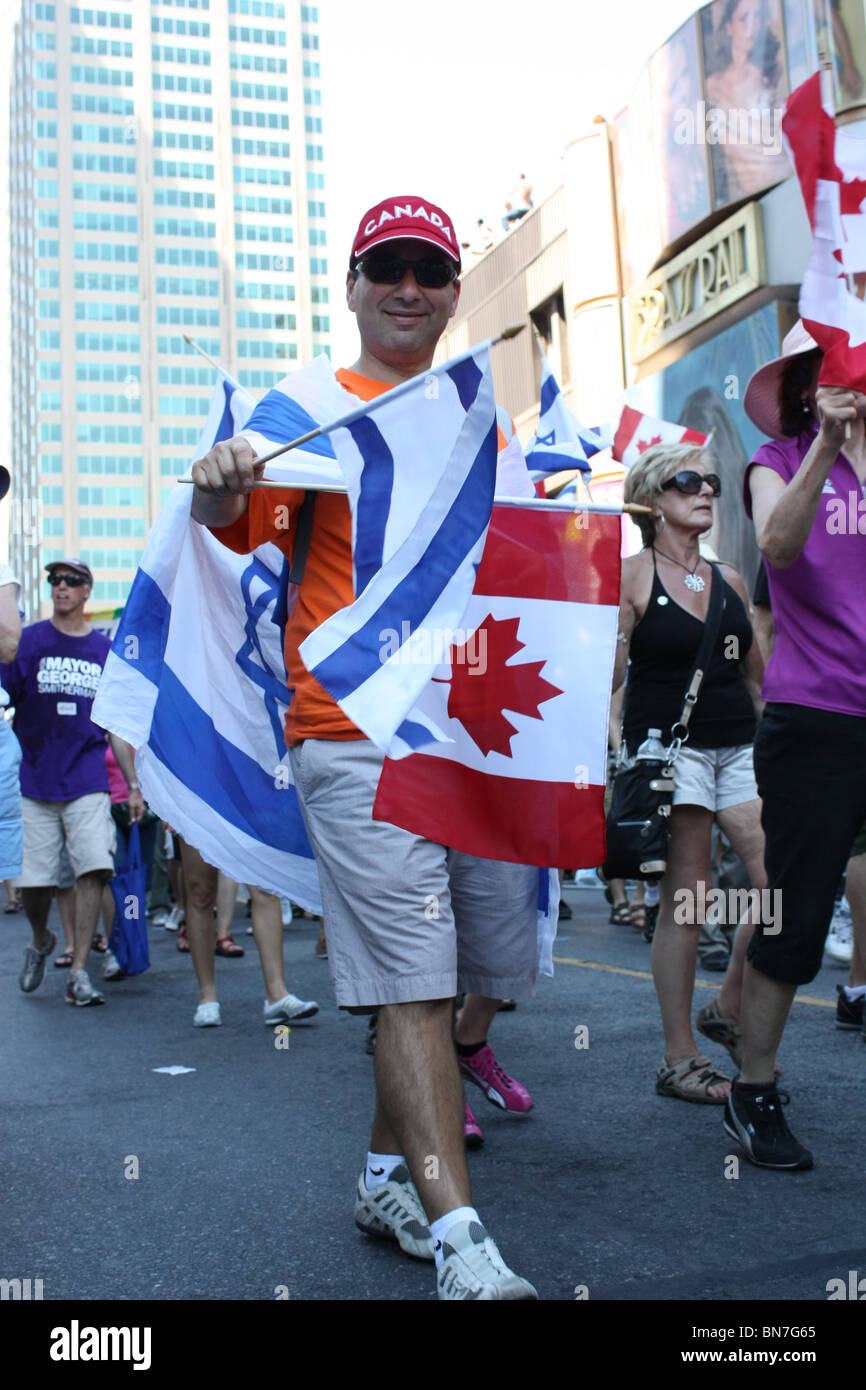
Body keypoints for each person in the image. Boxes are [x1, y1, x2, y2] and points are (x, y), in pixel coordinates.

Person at [191, 196, 539, 1300]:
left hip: (467, 738)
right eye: (384, 267)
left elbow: (511, 566)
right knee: (413, 990)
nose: (407, 288)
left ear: (450, 291)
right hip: (349, 734)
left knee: (464, 980)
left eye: (430, 271)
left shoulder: (474, 410)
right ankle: (459, 1241)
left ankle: (390, 1172)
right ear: (350, 285)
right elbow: (225, 522)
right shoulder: (302, 413)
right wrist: (218, 484)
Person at [726, 321, 866, 1169]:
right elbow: (777, 546)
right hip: (815, 722)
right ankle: (754, 1087)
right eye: (837, 371)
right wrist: (830, 447)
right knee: (799, 917)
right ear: (808, 386)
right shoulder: (774, 464)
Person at [615, 442, 767, 1104]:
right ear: (653, 500)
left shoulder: (730, 580)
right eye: (688, 481)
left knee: (777, 879)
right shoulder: (630, 576)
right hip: (671, 758)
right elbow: (610, 680)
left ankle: (728, 1002)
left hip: (741, 748)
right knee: (690, 897)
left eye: (711, 481)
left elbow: (756, 678)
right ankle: (679, 1057)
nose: (706, 489)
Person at [0, 558, 143, 1006]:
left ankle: (79, 969)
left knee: (94, 867)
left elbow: (116, 724)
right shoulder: (27, 642)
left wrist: (134, 784)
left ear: (87, 593)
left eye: (72, 581)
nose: (61, 586)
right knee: (35, 884)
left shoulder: (103, 651)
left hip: (87, 777)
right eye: (54, 580)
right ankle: (42, 938)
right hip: (34, 776)